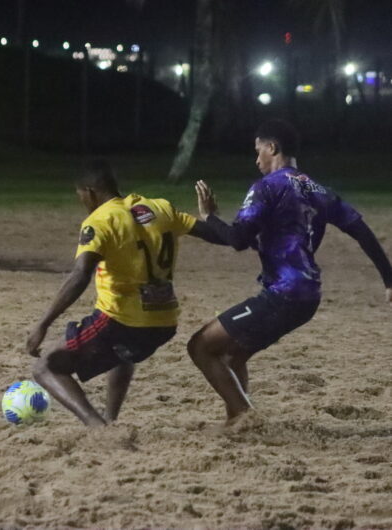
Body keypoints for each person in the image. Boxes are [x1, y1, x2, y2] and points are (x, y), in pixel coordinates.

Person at [189, 119, 392, 426]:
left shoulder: (267, 187)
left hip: (284, 294)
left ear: (273, 147)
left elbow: (237, 240)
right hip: (308, 294)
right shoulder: (315, 187)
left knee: (200, 346)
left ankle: (246, 416)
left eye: (259, 151)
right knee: (232, 356)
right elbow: (360, 230)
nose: (257, 160)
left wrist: (209, 217)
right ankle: (238, 423)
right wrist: (388, 279)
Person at [25, 159, 223, 427]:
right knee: (121, 353)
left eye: (80, 196)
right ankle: (111, 420)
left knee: (45, 367)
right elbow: (216, 234)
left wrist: (43, 323)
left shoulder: (99, 220)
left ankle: (98, 428)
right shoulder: (159, 207)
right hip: (164, 323)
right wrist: (211, 216)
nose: (81, 201)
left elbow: (80, 275)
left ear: (89, 191)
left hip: (122, 321)